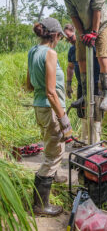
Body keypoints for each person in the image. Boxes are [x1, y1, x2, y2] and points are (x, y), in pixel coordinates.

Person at [27, 17, 72, 216]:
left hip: (40, 107)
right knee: (53, 156)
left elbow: (29, 84)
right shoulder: (50, 53)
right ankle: (40, 205)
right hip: (51, 108)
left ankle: (51, 177)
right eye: (60, 37)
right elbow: (51, 92)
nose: (59, 40)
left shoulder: (32, 51)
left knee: (53, 146)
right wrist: (64, 121)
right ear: (54, 35)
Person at [57, 0, 107, 112]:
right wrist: (82, 34)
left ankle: (106, 94)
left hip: (100, 24)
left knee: (102, 56)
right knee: (80, 58)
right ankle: (86, 94)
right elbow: (72, 12)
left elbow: (97, 7)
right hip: (82, 26)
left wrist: (94, 32)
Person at [64, 23, 101, 143]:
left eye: (70, 36)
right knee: (81, 111)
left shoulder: (91, 46)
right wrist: (68, 84)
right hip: (81, 84)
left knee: (95, 112)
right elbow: (70, 67)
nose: (68, 40)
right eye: (66, 38)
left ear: (75, 32)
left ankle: (95, 141)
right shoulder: (72, 50)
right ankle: (84, 139)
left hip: (95, 83)